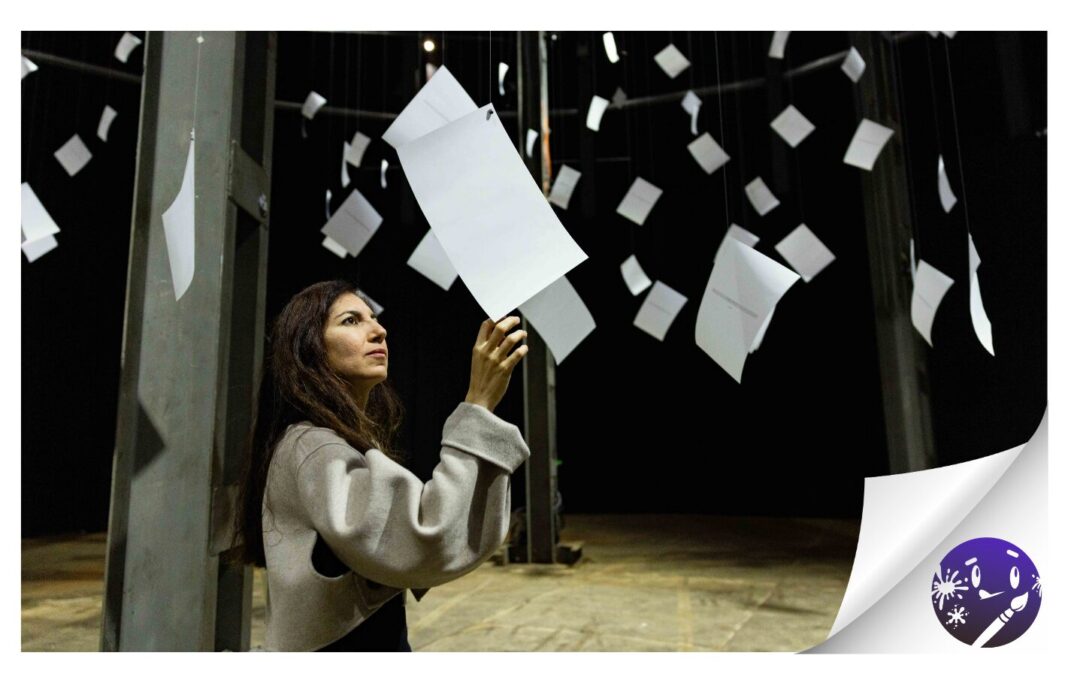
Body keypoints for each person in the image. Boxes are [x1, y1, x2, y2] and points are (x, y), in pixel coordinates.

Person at [231, 280, 531, 651]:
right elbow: (424, 534)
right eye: (351, 321)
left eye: (374, 318)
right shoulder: (312, 447)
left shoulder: (328, 441)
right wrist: (478, 404)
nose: (379, 330)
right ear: (309, 348)